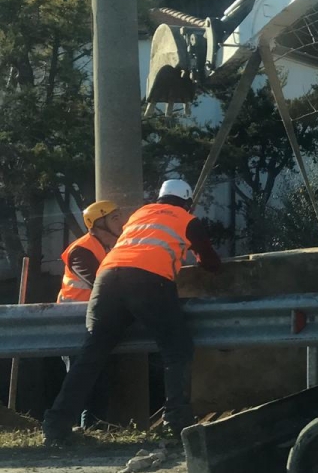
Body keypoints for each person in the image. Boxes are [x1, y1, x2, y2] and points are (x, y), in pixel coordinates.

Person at [42, 180, 222, 444]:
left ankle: (56, 425)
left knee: (91, 355)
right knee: (177, 349)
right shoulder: (187, 219)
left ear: (160, 198)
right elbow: (210, 262)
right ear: (187, 202)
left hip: (107, 279)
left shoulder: (140, 214)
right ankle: (176, 423)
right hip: (150, 281)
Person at [57, 200, 124, 428]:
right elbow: (98, 282)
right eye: (114, 218)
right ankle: (69, 427)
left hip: (91, 320)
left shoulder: (109, 248)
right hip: (72, 322)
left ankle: (93, 427)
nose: (121, 223)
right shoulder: (81, 250)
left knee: (98, 376)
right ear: (98, 223)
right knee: (81, 378)